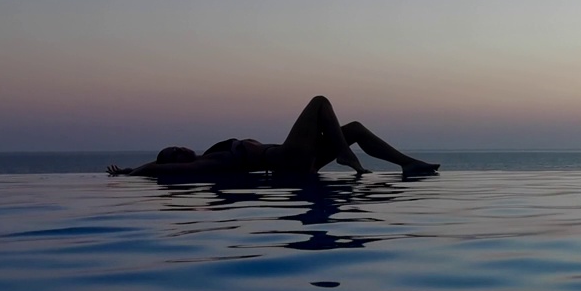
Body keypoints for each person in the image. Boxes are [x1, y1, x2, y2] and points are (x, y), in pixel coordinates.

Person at [107, 96, 440, 178]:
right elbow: (160, 170)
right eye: (173, 151)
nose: (179, 147)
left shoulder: (207, 153)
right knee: (320, 102)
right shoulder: (206, 163)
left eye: (175, 144)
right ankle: (345, 155)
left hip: (294, 160)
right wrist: (132, 172)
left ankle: (408, 165)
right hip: (285, 160)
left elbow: (162, 162)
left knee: (351, 127)